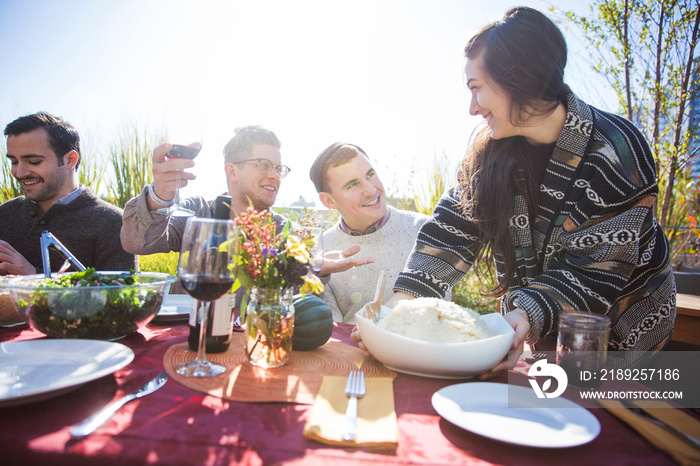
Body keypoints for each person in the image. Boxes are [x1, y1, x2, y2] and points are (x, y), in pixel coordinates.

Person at [354, 7, 676, 373]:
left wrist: (525, 312)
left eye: (476, 89)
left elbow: (596, 271)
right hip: (540, 326)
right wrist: (398, 311)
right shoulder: (490, 151)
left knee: (610, 422)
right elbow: (451, 232)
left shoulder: (617, 149)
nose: (473, 108)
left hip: (627, 335)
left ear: (517, 79)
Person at [0, 112, 136, 275]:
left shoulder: (114, 224)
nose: (19, 172)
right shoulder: (4, 213)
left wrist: (32, 278)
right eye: (14, 162)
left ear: (70, 159)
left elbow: (119, 296)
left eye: (34, 162)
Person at [309, 142, 432, 323]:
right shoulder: (320, 252)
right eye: (352, 185)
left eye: (370, 175)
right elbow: (331, 331)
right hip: (348, 350)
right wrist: (318, 274)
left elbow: (437, 311)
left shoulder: (423, 230)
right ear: (328, 201)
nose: (371, 190)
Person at [120, 125, 289, 255]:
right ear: (232, 172)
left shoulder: (284, 232)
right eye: (264, 165)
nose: (275, 175)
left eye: (279, 168)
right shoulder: (198, 212)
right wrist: (160, 195)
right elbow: (136, 242)